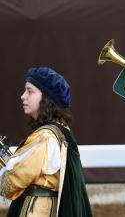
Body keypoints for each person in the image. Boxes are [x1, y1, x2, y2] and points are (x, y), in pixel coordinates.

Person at [0, 67, 92, 217]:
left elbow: (11, 183)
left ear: (46, 98)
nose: (23, 96)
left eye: (30, 91)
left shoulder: (45, 137)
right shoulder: (61, 131)